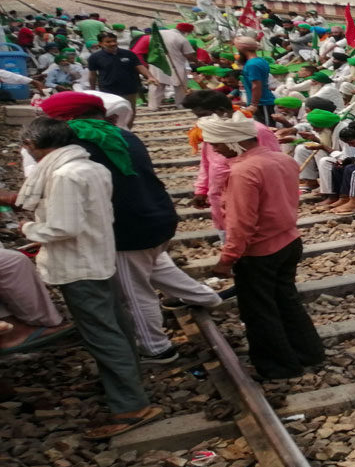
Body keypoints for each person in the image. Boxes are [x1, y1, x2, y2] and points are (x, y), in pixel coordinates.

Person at [38, 92, 220, 363]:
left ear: (68, 118)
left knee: (134, 292)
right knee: (156, 265)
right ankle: (207, 298)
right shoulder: (123, 134)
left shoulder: (78, 144)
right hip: (157, 217)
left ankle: (157, 348)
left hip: (127, 228)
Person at [15, 117, 161, 439]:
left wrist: (26, 229)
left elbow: (63, 228)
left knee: (101, 333)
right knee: (115, 325)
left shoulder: (65, 175)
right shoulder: (92, 166)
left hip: (78, 265)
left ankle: (131, 405)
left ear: (33, 145)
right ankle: (126, 381)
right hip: (98, 256)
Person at [199, 113, 324, 380]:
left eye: (217, 143)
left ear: (234, 142)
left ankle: (279, 367)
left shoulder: (244, 171)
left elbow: (241, 222)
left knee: (259, 310)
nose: (215, 149)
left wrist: (228, 258)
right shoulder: (283, 160)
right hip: (289, 240)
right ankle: (308, 352)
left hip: (260, 250)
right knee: (286, 300)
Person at [182, 90, 281, 232]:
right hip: (219, 196)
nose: (201, 121)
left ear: (221, 111)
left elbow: (274, 165)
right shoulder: (209, 130)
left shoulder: (256, 131)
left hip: (250, 197)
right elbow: (207, 162)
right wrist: (202, 190)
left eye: (203, 115)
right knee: (228, 233)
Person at [88, 31, 158, 127]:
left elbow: (139, 66)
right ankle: (115, 131)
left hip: (129, 88)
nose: (112, 44)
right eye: (108, 42)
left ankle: (127, 130)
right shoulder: (95, 57)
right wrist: (92, 90)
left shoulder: (128, 54)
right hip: (108, 89)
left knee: (130, 111)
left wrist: (150, 76)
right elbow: (93, 74)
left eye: (114, 41)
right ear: (101, 44)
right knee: (111, 112)